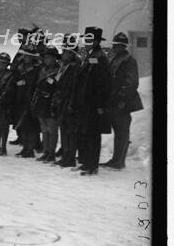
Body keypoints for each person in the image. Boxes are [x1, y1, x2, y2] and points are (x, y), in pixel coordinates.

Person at [102, 32, 143, 170]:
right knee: (118, 131)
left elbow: (132, 83)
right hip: (113, 101)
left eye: (118, 45)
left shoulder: (129, 60)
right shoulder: (115, 59)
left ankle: (119, 161)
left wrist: (122, 99)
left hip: (122, 103)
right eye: (114, 45)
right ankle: (116, 159)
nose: (115, 47)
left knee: (122, 132)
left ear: (123, 46)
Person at [74, 26, 111, 176]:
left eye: (89, 39)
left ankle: (92, 165)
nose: (86, 41)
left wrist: (100, 105)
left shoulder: (100, 57)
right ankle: (86, 162)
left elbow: (103, 83)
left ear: (96, 41)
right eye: (86, 39)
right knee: (85, 133)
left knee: (93, 135)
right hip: (85, 102)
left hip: (94, 104)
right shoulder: (90, 55)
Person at [51, 34, 82, 168]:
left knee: (70, 132)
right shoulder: (64, 66)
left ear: (71, 53)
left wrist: (71, 103)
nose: (62, 54)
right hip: (62, 102)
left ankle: (70, 158)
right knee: (64, 130)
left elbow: (74, 88)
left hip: (70, 103)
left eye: (65, 51)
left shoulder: (75, 67)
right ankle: (65, 155)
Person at [32, 45, 60, 162]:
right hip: (41, 101)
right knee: (44, 128)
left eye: (50, 57)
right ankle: (46, 151)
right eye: (46, 57)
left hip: (51, 102)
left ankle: (51, 153)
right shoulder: (42, 70)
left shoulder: (58, 71)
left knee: (52, 129)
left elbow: (58, 88)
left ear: (55, 58)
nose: (47, 59)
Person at [12, 44, 40, 158]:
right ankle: (25, 148)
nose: (26, 57)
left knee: (32, 127)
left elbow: (35, 85)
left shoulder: (37, 70)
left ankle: (30, 149)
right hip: (20, 99)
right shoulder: (20, 68)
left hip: (31, 101)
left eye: (29, 56)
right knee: (23, 126)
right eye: (25, 55)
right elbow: (16, 81)